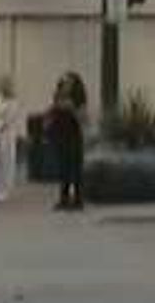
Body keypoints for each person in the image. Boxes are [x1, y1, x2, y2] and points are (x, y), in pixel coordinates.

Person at [48, 71, 88, 211]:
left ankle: (78, 199)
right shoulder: (58, 97)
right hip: (60, 136)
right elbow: (52, 114)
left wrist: (72, 109)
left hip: (74, 136)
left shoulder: (79, 99)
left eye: (68, 82)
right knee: (63, 168)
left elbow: (83, 118)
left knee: (75, 168)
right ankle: (63, 198)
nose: (65, 85)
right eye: (63, 83)